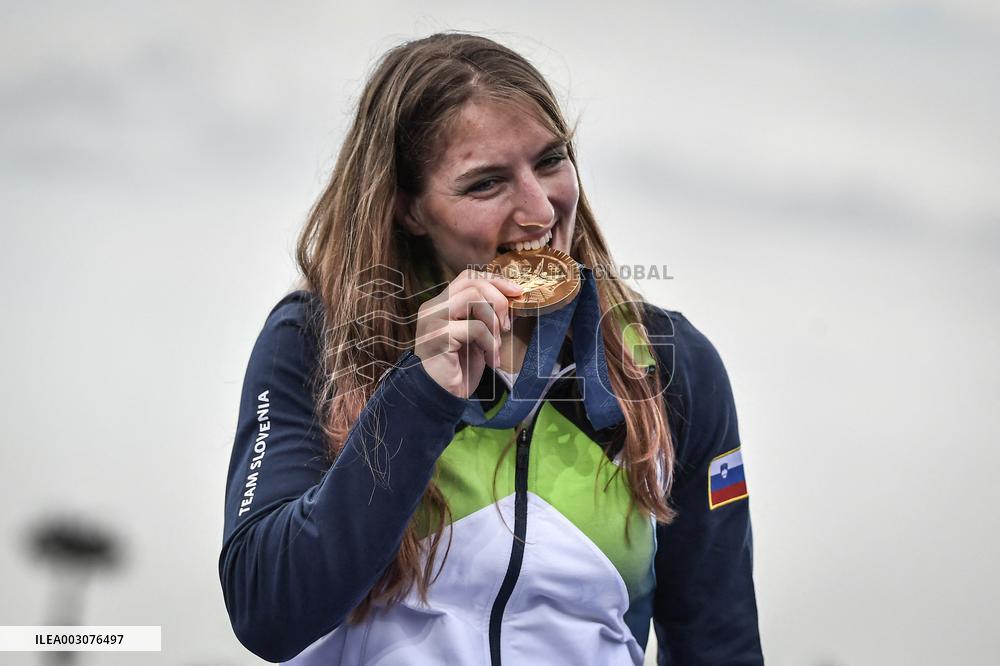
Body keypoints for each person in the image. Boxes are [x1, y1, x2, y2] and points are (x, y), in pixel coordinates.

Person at [219, 32, 763, 665]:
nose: (538, 210)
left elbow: (718, 644)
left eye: (552, 160)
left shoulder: (669, 364)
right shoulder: (319, 336)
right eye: (485, 185)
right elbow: (267, 612)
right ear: (409, 209)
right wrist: (417, 396)